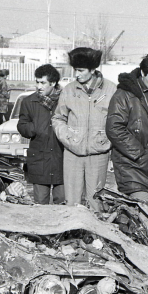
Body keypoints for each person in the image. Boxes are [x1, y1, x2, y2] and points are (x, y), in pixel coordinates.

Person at [51, 47, 116, 212]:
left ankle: (95, 237)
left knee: (97, 202)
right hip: (72, 154)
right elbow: (58, 118)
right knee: (72, 203)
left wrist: (107, 140)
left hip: (99, 154)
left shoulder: (111, 90)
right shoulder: (69, 90)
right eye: (75, 70)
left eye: (81, 70)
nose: (76, 74)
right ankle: (72, 235)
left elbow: (117, 122)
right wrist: (69, 138)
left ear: (93, 70)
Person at [106, 53, 148, 202]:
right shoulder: (124, 94)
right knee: (146, 208)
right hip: (129, 163)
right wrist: (139, 154)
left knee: (133, 211)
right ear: (143, 73)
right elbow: (114, 128)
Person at [17, 64, 64, 204]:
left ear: (53, 83)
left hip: (61, 161)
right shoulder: (28, 101)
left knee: (62, 204)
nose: (38, 86)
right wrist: (34, 128)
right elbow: (22, 125)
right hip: (39, 161)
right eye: (37, 82)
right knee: (40, 206)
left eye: (42, 83)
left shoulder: (65, 101)